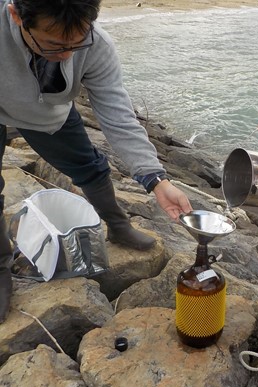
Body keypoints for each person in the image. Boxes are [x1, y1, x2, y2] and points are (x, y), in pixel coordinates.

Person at [0, 0, 193, 324]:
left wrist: (155, 179)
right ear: (16, 16)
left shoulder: (97, 44)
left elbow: (118, 115)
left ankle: (118, 226)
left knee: (91, 167)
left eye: (76, 44)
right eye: (54, 44)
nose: (66, 54)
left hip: (50, 115)